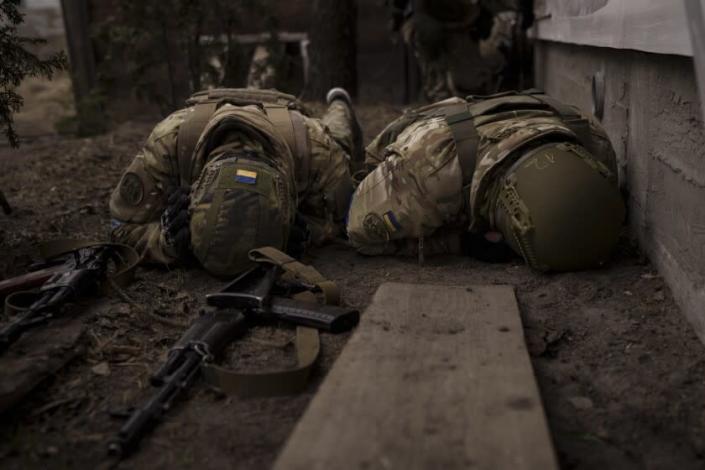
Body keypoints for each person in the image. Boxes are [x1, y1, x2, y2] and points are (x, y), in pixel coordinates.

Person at [346, 90, 626, 272]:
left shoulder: (593, 141)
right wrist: (461, 244)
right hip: (431, 133)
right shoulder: (429, 175)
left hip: (484, 122)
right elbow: (359, 233)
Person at [109, 87, 361, 277]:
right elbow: (119, 225)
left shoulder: (318, 151)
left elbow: (344, 221)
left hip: (292, 125)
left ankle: (339, 102)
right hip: (217, 112)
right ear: (192, 195)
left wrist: (306, 232)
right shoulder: (169, 143)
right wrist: (166, 240)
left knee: (339, 133)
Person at [389, 0, 530, 101]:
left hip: (462, 23)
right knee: (438, 86)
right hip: (427, 22)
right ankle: (439, 100)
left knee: (471, 85)